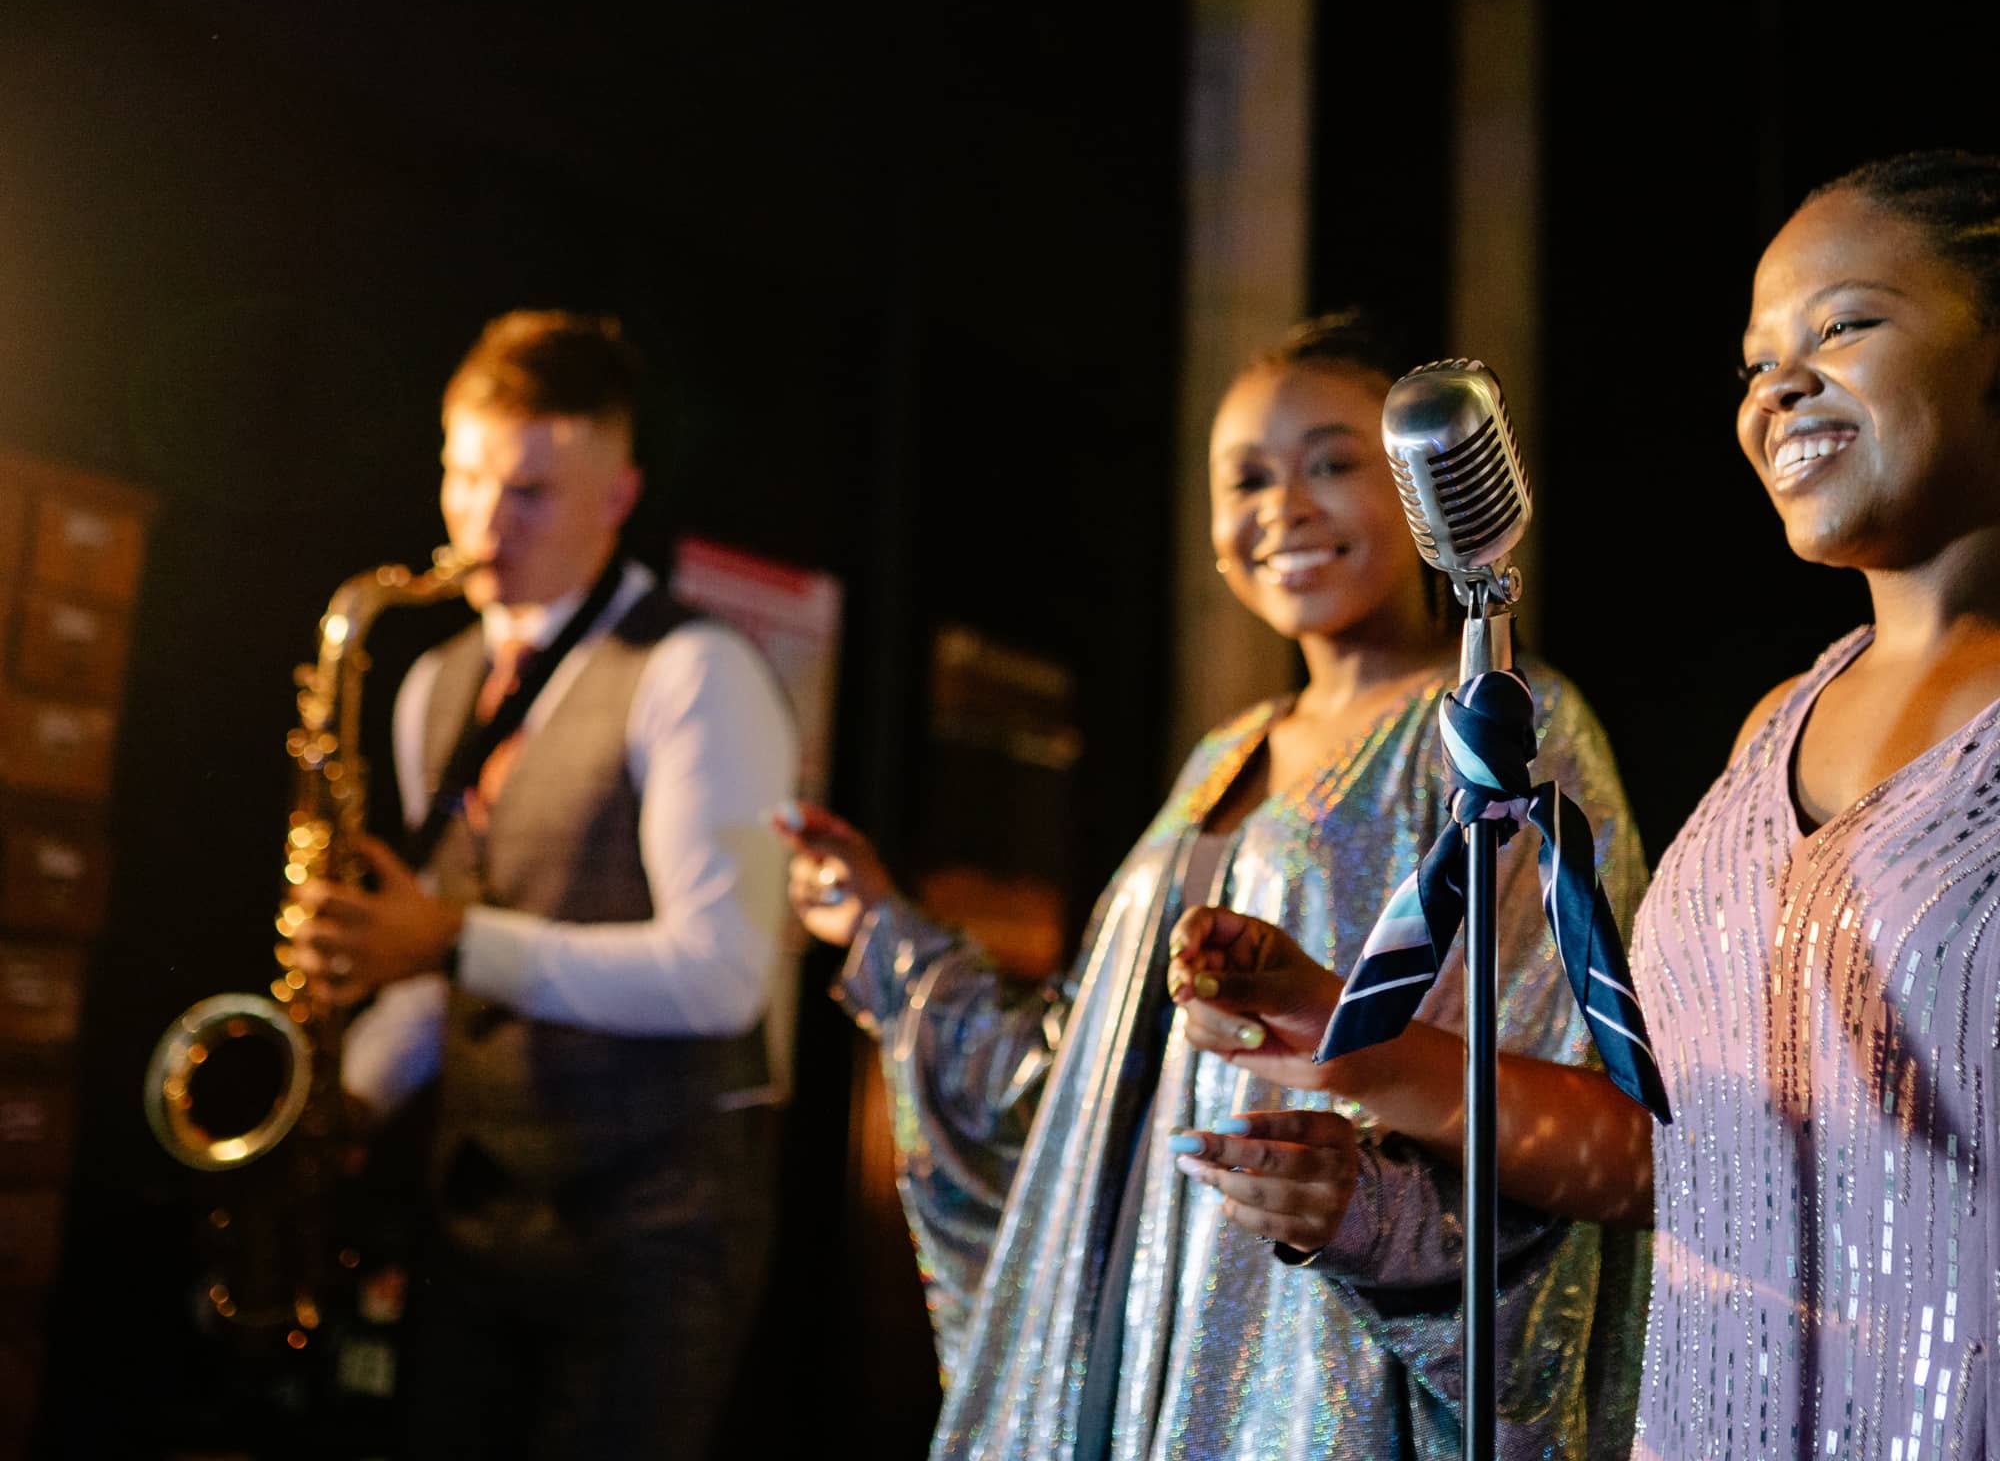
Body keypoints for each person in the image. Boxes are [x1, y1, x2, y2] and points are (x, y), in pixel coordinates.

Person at [1172, 149, 2000, 1461]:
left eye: (1842, 325)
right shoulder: (1771, 731)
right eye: (1754, 361)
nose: (1777, 386)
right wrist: (1347, 1038)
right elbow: (1680, 1156)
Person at [778, 311, 1651, 1460]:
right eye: (1245, 478)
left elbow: (1575, 1096)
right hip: (1134, 1332)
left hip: (1313, 1350)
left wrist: (1366, 1205)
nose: (1282, 505)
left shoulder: (1496, 728)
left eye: (1331, 463)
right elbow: (1074, 1083)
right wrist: (880, 927)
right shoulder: (1219, 756)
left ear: (1418, 490)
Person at [296, 309, 797, 1460]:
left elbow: (720, 975)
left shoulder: (695, 670)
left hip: (651, 1229)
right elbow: (441, 975)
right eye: (465, 475)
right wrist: (347, 1097)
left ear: (618, 494)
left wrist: (448, 939)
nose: (482, 521)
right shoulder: (434, 682)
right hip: (477, 1217)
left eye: (528, 490)